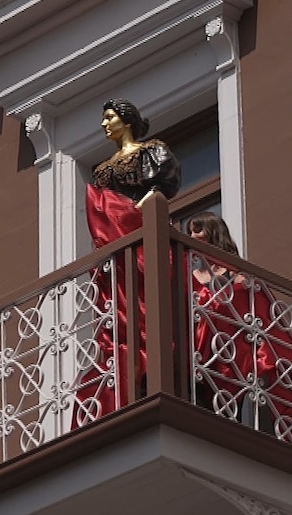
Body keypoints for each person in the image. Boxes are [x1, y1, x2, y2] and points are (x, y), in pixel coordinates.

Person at [74, 99, 181, 427]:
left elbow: (162, 189)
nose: (105, 124)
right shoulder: (102, 171)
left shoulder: (154, 152)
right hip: (118, 244)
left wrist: (139, 209)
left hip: (141, 233)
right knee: (121, 302)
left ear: (127, 119)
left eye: (110, 118)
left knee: (148, 296)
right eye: (103, 118)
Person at [186, 212, 292, 443]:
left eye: (198, 230)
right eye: (191, 232)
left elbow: (250, 300)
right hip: (206, 343)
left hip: (235, 341)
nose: (193, 236)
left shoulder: (232, 269)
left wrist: (232, 291)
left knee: (246, 384)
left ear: (214, 231)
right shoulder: (192, 275)